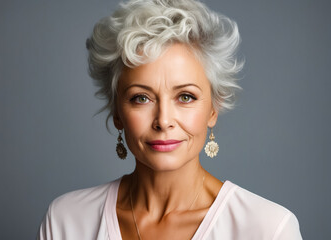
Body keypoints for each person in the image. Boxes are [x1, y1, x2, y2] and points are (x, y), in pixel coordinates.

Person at [37, 0, 302, 239]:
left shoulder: (268, 228)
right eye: (141, 98)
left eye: (185, 97)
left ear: (213, 110)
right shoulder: (66, 221)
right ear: (117, 112)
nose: (163, 121)